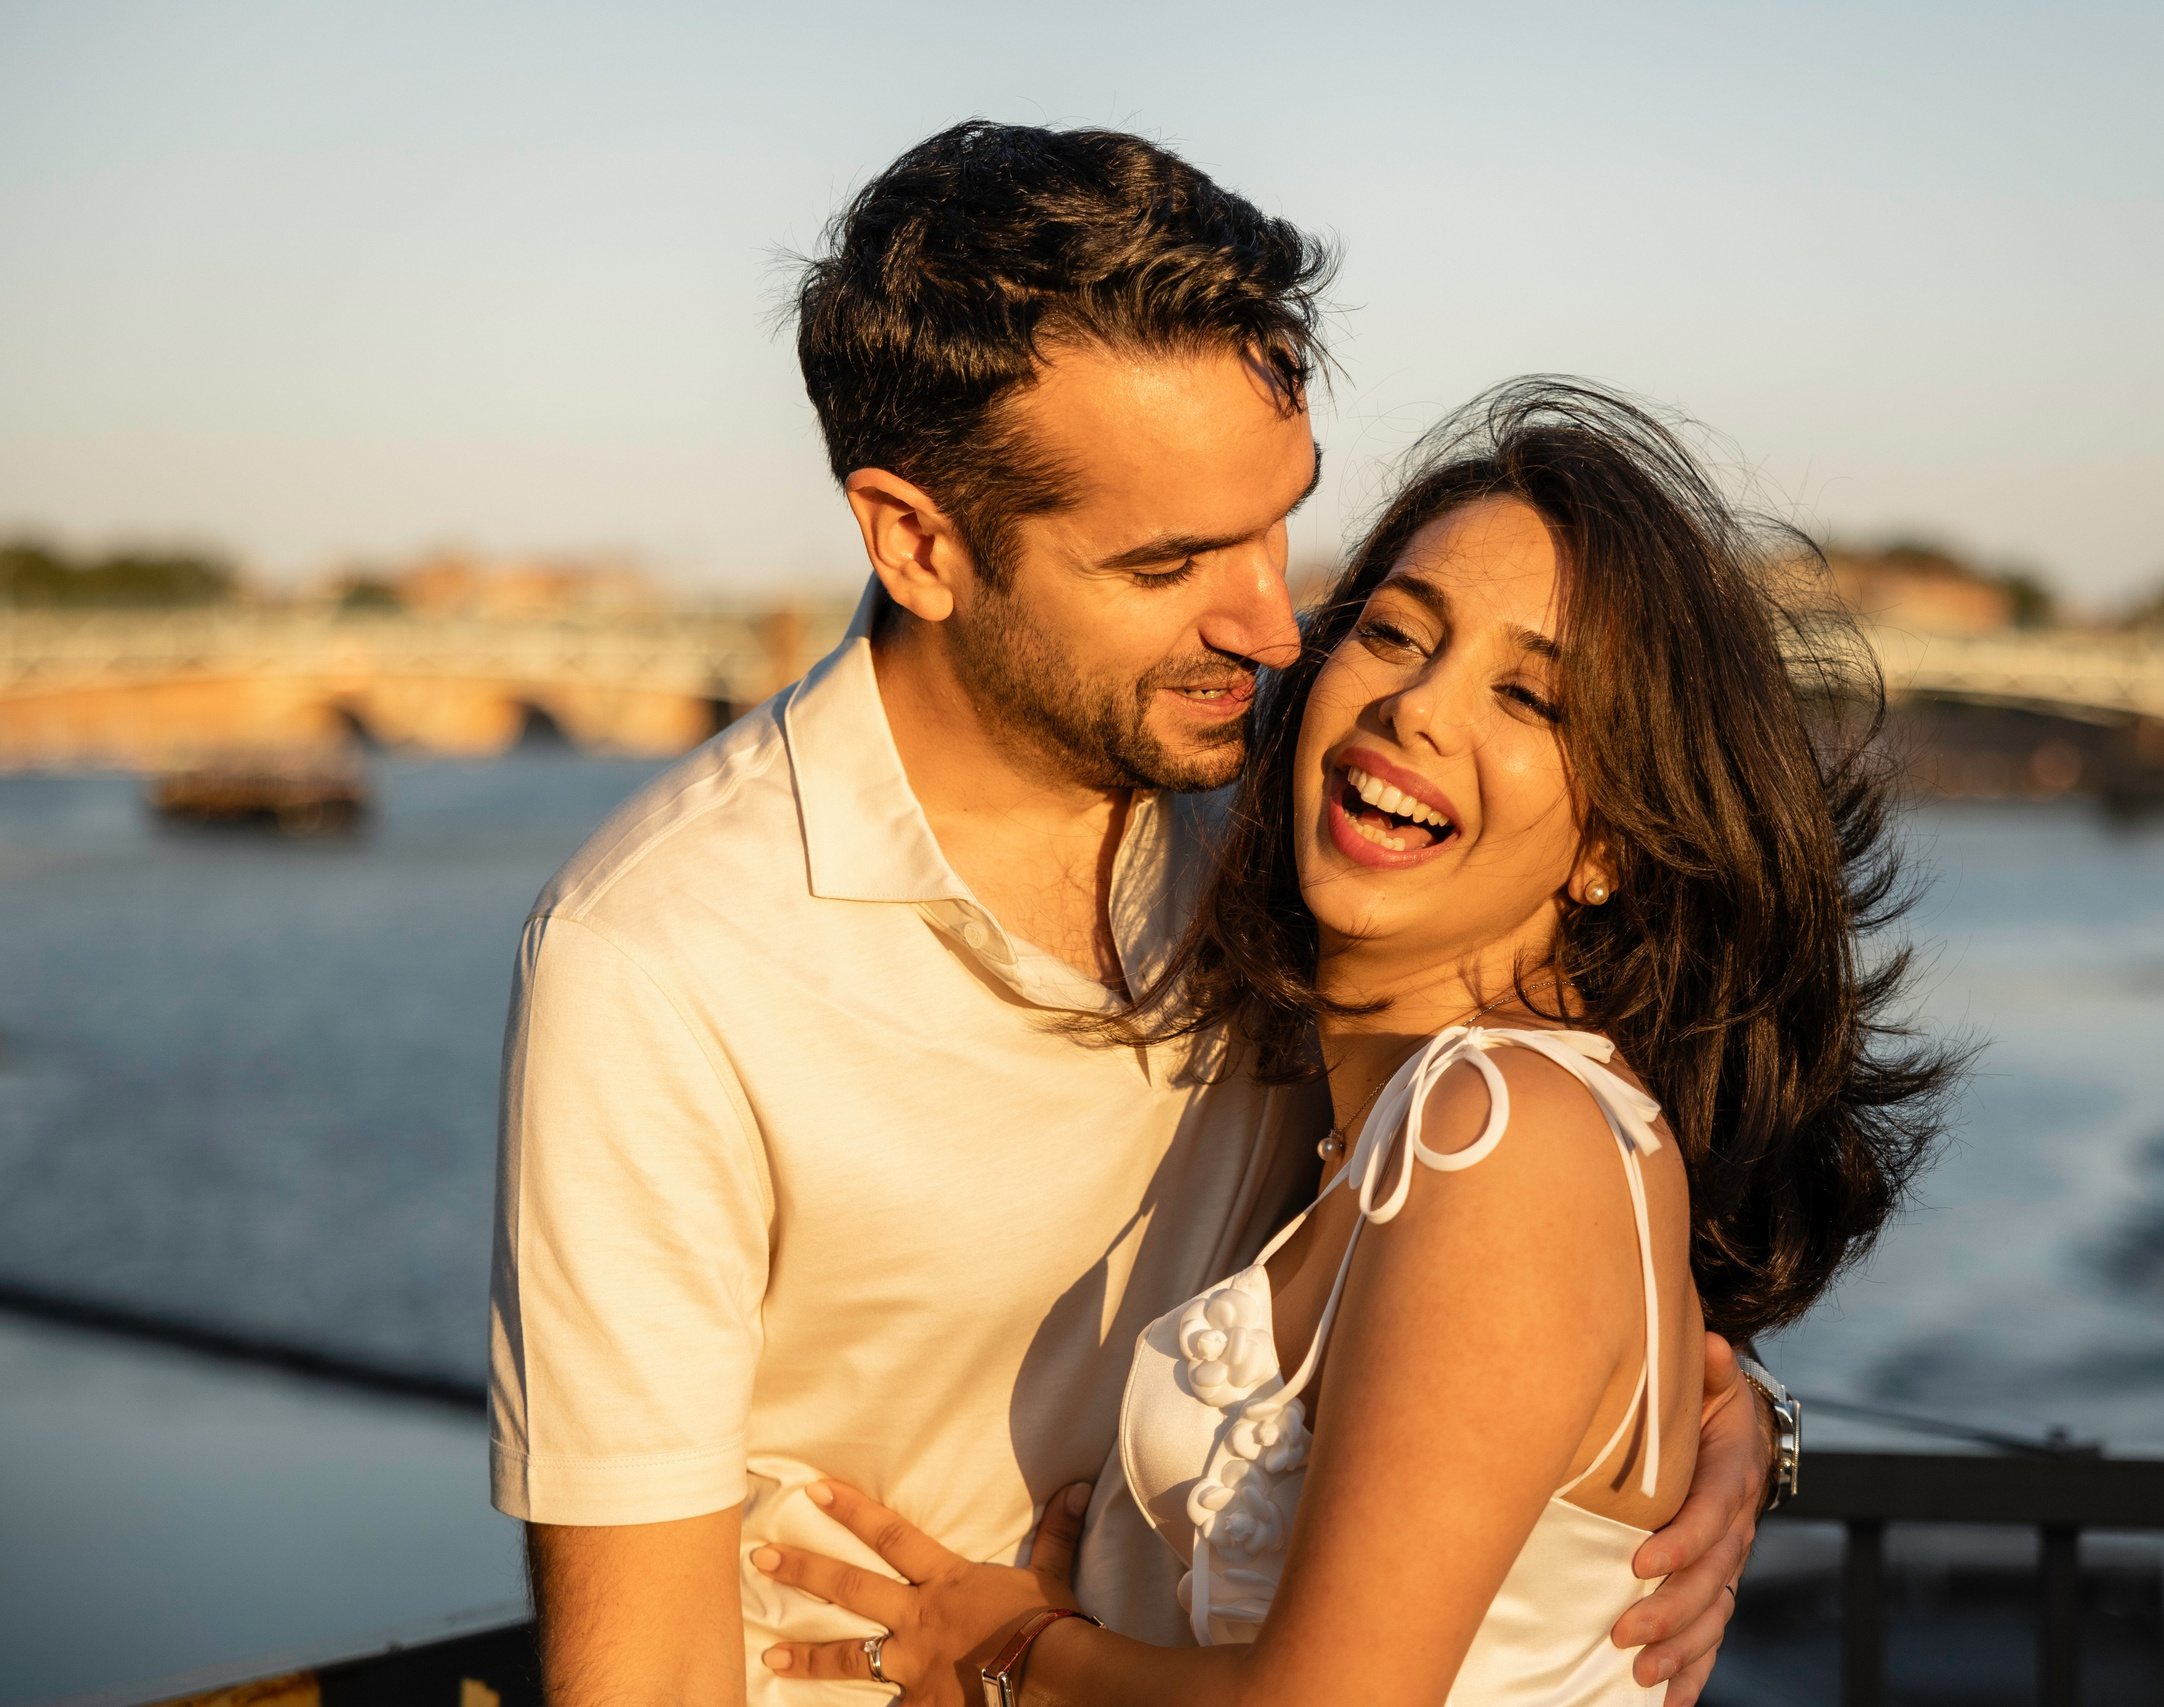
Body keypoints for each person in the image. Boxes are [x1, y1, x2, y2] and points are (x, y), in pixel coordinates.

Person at [489, 128, 1782, 1707]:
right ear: (919, 541)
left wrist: (1730, 1422)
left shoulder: (1306, 828)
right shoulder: (662, 958)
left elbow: (1538, 1246)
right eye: (1171, 559)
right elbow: (641, 1678)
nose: (1272, 620)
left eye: (1279, 522)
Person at [745, 380, 1956, 1704]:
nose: (1422, 710)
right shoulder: (1388, 1120)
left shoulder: (1502, 1136)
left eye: (1533, 700)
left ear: (1613, 844)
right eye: (1394, 634)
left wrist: (1013, 1649)